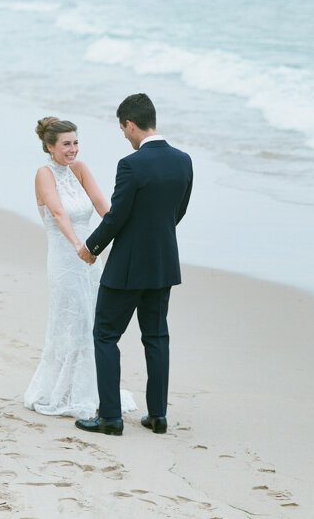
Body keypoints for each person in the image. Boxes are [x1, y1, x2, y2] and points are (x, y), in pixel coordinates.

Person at [75, 94, 193, 436]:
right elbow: (178, 212)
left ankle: (110, 417)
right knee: (156, 337)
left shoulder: (131, 164)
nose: (124, 135)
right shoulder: (183, 160)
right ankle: (158, 416)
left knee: (105, 335)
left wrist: (92, 246)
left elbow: (117, 216)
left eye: (122, 128)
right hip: (164, 263)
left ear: (130, 123)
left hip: (127, 266)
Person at [24, 116, 136, 420]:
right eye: (66, 144)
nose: (73, 150)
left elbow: (103, 206)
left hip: (91, 258)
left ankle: (94, 391)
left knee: (93, 320)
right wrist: (78, 246)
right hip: (65, 259)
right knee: (72, 319)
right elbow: (59, 214)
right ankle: (63, 390)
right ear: (50, 146)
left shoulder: (81, 169)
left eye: (75, 143)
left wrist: (126, 234)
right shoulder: (43, 174)